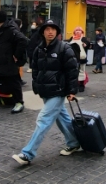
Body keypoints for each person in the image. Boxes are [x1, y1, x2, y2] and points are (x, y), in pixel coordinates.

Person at [12, 20, 81, 166]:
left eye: (53, 29)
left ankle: (27, 154)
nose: (50, 32)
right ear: (42, 32)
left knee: (43, 119)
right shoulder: (39, 49)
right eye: (47, 29)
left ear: (57, 32)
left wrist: (72, 90)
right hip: (45, 91)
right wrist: (36, 85)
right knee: (62, 118)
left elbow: (72, 70)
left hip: (58, 90)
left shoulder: (64, 48)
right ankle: (74, 142)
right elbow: (35, 69)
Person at [68, 26, 90, 92]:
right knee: (73, 72)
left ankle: (81, 85)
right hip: (73, 57)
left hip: (81, 58)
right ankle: (74, 84)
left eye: (79, 30)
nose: (78, 32)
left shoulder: (83, 38)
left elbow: (88, 44)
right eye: (76, 30)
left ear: (82, 32)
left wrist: (85, 45)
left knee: (81, 71)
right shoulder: (72, 38)